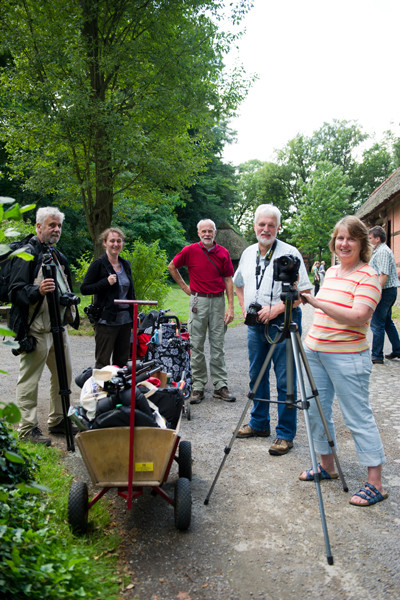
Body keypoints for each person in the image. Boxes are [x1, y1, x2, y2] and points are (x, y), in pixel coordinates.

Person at [299, 216, 387, 506]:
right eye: (339, 238)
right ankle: (327, 466)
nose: (344, 244)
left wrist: (315, 301)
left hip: (348, 356)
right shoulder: (333, 273)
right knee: (316, 411)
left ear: (362, 242)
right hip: (315, 352)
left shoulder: (368, 276)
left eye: (350, 238)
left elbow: (360, 315)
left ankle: (376, 483)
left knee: (357, 416)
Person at [233, 204, 311, 455]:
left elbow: (305, 294)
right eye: (261, 224)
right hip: (255, 324)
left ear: (278, 227)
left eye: (271, 225)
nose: (266, 229)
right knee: (257, 374)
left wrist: (277, 309)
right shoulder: (247, 253)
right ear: (254, 226)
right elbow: (238, 284)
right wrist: (244, 307)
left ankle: (285, 434)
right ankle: (259, 424)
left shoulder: (290, 253)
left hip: (283, 321)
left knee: (286, 378)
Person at [9, 207, 79, 446]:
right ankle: (27, 429)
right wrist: (37, 290)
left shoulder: (57, 256)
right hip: (35, 329)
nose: (56, 229)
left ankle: (58, 420)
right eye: (52, 225)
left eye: (59, 225)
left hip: (58, 328)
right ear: (38, 227)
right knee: (29, 380)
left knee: (64, 376)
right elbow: (15, 292)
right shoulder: (26, 254)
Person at [168, 219, 235, 404]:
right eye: (203, 231)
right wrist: (183, 286)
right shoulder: (190, 251)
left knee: (217, 345)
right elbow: (172, 266)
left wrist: (231, 306)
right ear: (198, 233)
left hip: (218, 301)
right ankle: (198, 386)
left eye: (210, 231)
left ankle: (220, 385)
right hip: (198, 301)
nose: (207, 234)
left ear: (215, 233)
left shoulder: (223, 252)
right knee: (196, 345)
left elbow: (228, 279)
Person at [81, 228, 135, 369]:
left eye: (118, 241)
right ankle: (100, 389)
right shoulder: (98, 264)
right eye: (112, 241)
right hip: (106, 321)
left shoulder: (125, 264)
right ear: (104, 243)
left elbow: (131, 293)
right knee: (103, 363)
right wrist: (105, 282)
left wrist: (134, 319)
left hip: (125, 321)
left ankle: (118, 391)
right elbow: (84, 289)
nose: (115, 244)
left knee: (122, 363)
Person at [368, 225, 400, 364]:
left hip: (385, 291)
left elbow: (383, 274)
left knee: (377, 324)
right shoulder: (380, 250)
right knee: (387, 322)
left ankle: (377, 355)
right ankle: (398, 350)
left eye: (370, 238)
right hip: (388, 291)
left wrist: (376, 293)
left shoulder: (382, 252)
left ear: (377, 239)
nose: (369, 240)